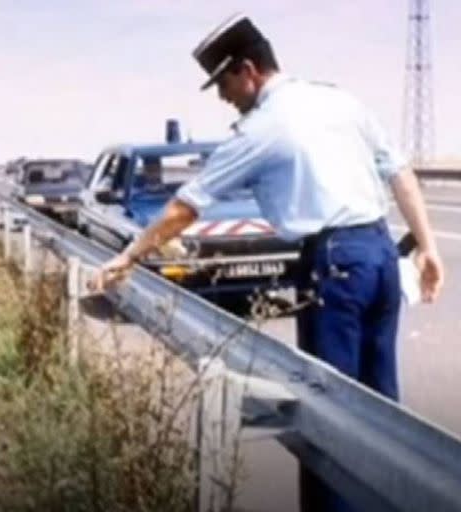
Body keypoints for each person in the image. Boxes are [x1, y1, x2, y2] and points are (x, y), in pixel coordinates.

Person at [90, 13, 444, 512]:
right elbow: (399, 171)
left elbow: (183, 209)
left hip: (335, 267)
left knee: (331, 425)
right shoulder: (339, 99)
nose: (223, 97)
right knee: (382, 420)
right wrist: (427, 246)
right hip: (382, 258)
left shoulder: (261, 130)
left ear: (248, 70)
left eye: (223, 83)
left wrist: (127, 256)